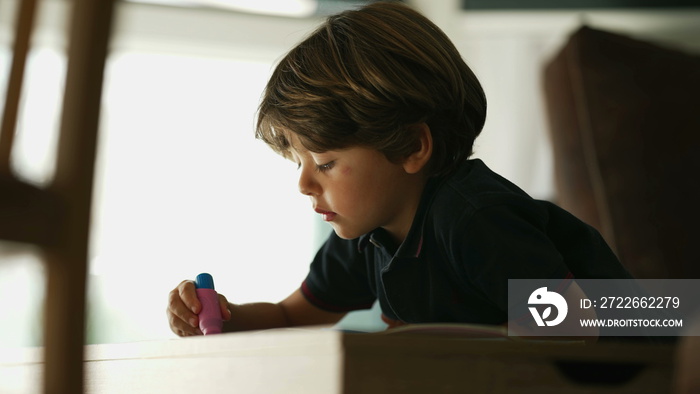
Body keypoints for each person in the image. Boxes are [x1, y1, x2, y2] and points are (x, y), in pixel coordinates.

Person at [167, 1, 631, 338]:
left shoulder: (475, 219)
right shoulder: (366, 233)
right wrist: (222, 318)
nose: (304, 184)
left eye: (325, 162)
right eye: (301, 162)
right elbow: (292, 316)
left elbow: (573, 326)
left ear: (411, 146)